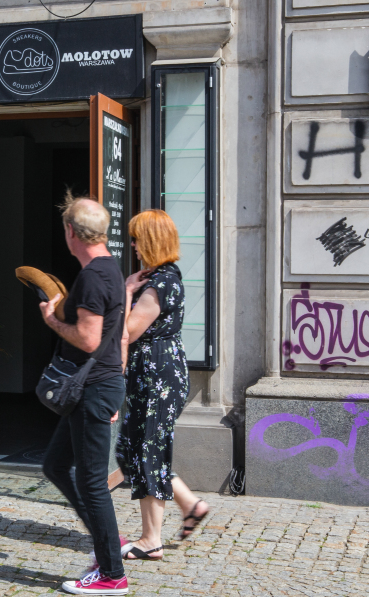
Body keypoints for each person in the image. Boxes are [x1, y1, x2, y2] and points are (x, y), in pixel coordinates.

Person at [39, 192, 129, 596]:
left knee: (92, 482)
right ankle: (107, 542)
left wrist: (51, 320)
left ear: (71, 232)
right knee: (56, 465)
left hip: (93, 388)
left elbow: (90, 339)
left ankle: (112, 573)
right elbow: (118, 336)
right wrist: (115, 390)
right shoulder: (111, 268)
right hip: (99, 387)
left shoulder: (93, 277)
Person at [116, 209, 210, 562]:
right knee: (131, 450)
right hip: (154, 373)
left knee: (147, 451)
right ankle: (190, 505)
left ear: (151, 241)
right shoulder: (163, 277)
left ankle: (150, 540)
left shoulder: (159, 283)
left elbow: (127, 331)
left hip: (156, 376)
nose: (133, 245)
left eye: (136, 238)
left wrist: (126, 292)